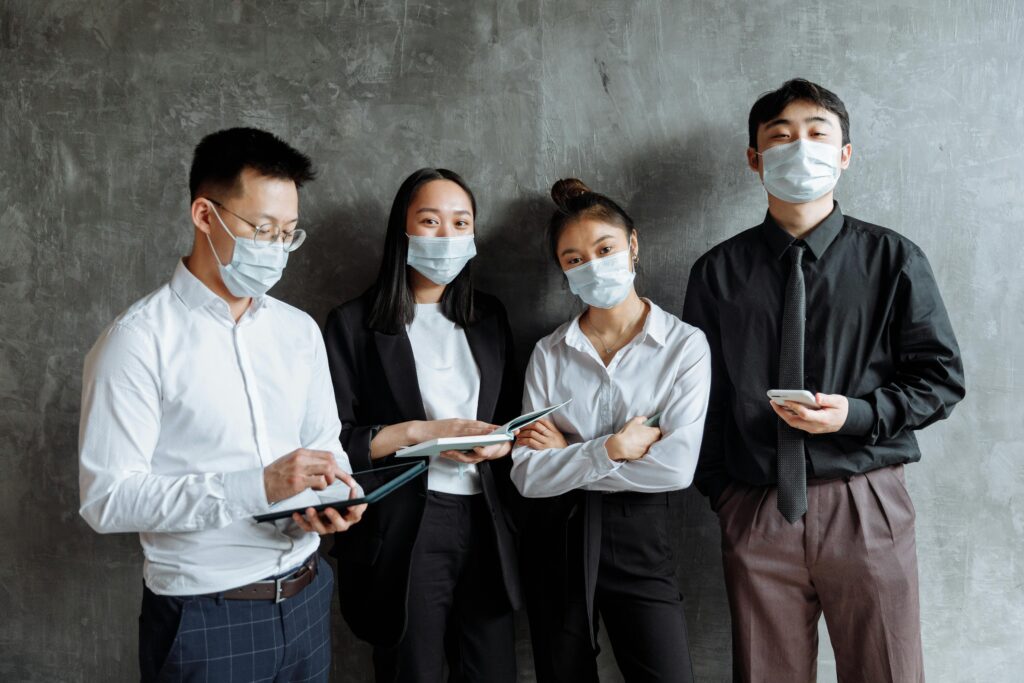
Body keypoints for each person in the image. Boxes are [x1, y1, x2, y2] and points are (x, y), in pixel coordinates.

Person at [682, 78, 966, 682]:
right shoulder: (717, 272)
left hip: (865, 499)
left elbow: (940, 379)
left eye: (817, 134)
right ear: (755, 158)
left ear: (844, 153)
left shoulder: (894, 260)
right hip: (756, 504)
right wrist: (725, 496)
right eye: (780, 137)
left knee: (886, 670)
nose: (800, 148)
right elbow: (702, 397)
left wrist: (855, 415)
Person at [78, 127, 365, 683]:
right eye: (261, 229)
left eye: (287, 233)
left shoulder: (298, 330)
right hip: (205, 615)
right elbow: (107, 499)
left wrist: (339, 494)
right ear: (205, 215)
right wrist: (258, 487)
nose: (276, 248)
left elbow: (325, 445)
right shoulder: (137, 341)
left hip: (307, 596)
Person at [324, 168, 523, 682]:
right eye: (430, 221)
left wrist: (501, 445)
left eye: (461, 223)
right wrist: (419, 433)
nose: (447, 236)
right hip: (404, 527)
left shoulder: (489, 317)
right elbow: (333, 441)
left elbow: (511, 420)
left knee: (492, 670)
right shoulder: (353, 324)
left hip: (485, 518)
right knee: (412, 671)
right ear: (402, 230)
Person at [511, 178, 711, 682]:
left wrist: (571, 452)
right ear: (562, 269)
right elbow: (528, 478)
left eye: (605, 249)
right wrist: (615, 448)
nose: (593, 265)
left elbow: (675, 468)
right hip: (556, 535)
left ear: (633, 245)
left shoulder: (684, 346)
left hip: (640, 534)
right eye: (574, 258)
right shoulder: (548, 353)